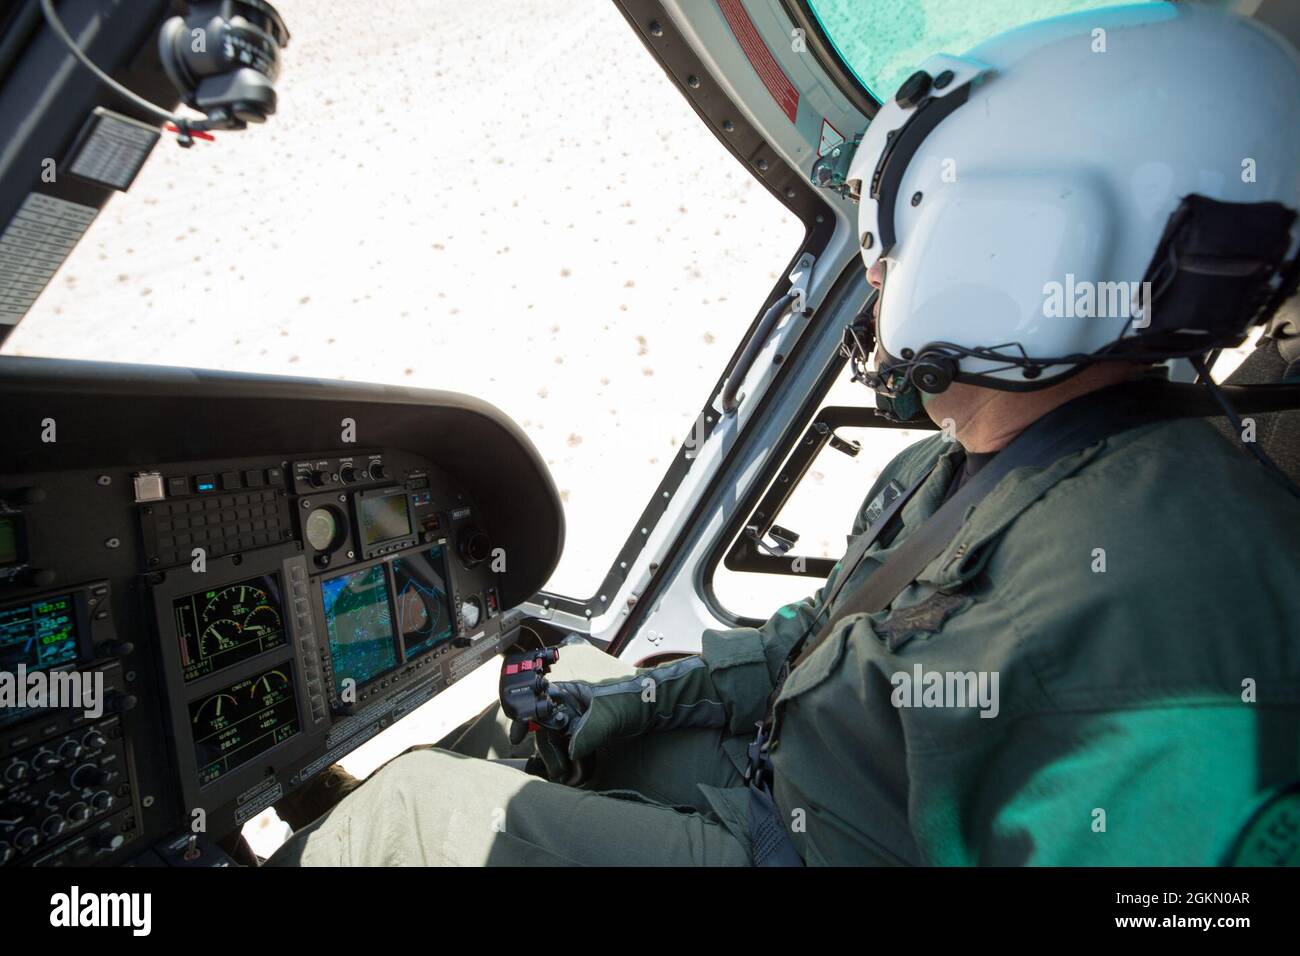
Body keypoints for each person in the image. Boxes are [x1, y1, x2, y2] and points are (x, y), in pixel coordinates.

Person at [268, 3, 1300, 866]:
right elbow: (825, 638)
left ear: (1030, 237)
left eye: (898, 234)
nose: (882, 274)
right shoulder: (967, 463)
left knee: (405, 815)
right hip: (796, 783)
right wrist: (648, 696)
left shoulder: (1175, 600)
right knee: (564, 689)